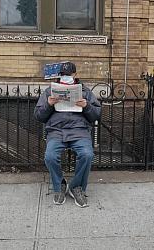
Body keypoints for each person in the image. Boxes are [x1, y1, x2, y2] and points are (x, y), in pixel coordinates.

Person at [34, 62, 101, 207]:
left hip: (79, 131)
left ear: (75, 75)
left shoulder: (85, 91)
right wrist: (49, 104)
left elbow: (96, 114)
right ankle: (59, 185)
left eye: (69, 75)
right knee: (50, 156)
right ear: (60, 75)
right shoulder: (50, 91)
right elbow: (38, 116)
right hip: (57, 131)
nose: (66, 77)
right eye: (63, 75)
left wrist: (87, 106)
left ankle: (76, 186)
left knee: (87, 154)